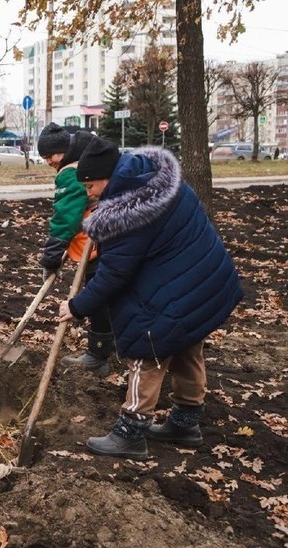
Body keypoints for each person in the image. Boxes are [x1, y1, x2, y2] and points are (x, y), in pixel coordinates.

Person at [59, 137, 243, 460]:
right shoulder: (151, 176)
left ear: (108, 176)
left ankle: (131, 432)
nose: (88, 194)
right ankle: (185, 423)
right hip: (202, 276)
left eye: (90, 185)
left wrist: (75, 307)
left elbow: (114, 274)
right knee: (186, 342)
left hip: (183, 281)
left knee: (149, 345)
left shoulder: (126, 212)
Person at [36, 123, 114, 375]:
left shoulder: (70, 172)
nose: (49, 161)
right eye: (45, 157)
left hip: (99, 243)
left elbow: (65, 217)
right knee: (105, 296)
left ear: (65, 150)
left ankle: (98, 356)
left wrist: (51, 257)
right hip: (102, 238)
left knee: (99, 296)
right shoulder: (82, 160)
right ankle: (109, 346)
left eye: (51, 155)